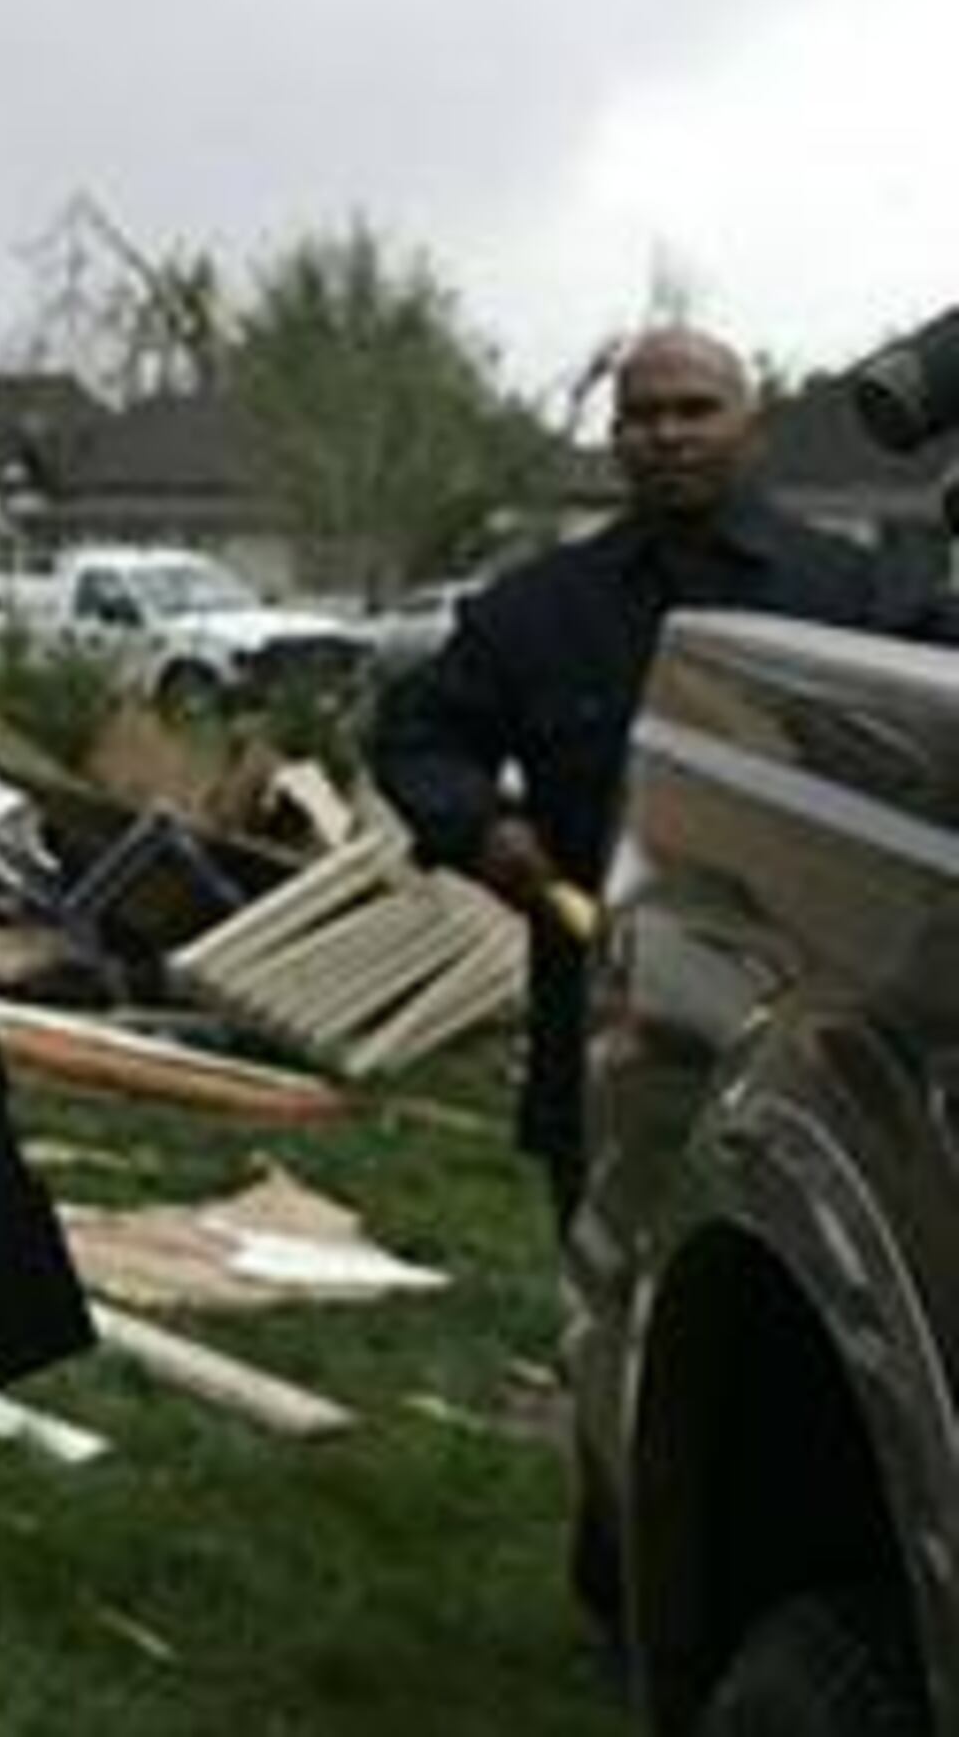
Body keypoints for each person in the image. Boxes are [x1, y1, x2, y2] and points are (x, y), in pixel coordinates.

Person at [371, 324, 959, 1229]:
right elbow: (417, 736)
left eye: (696, 410)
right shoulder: (540, 609)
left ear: (749, 427)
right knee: (614, 1302)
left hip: (813, 1035)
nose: (670, 433)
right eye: (644, 415)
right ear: (616, 439)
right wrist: (481, 827)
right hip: (607, 1027)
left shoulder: (854, 599)